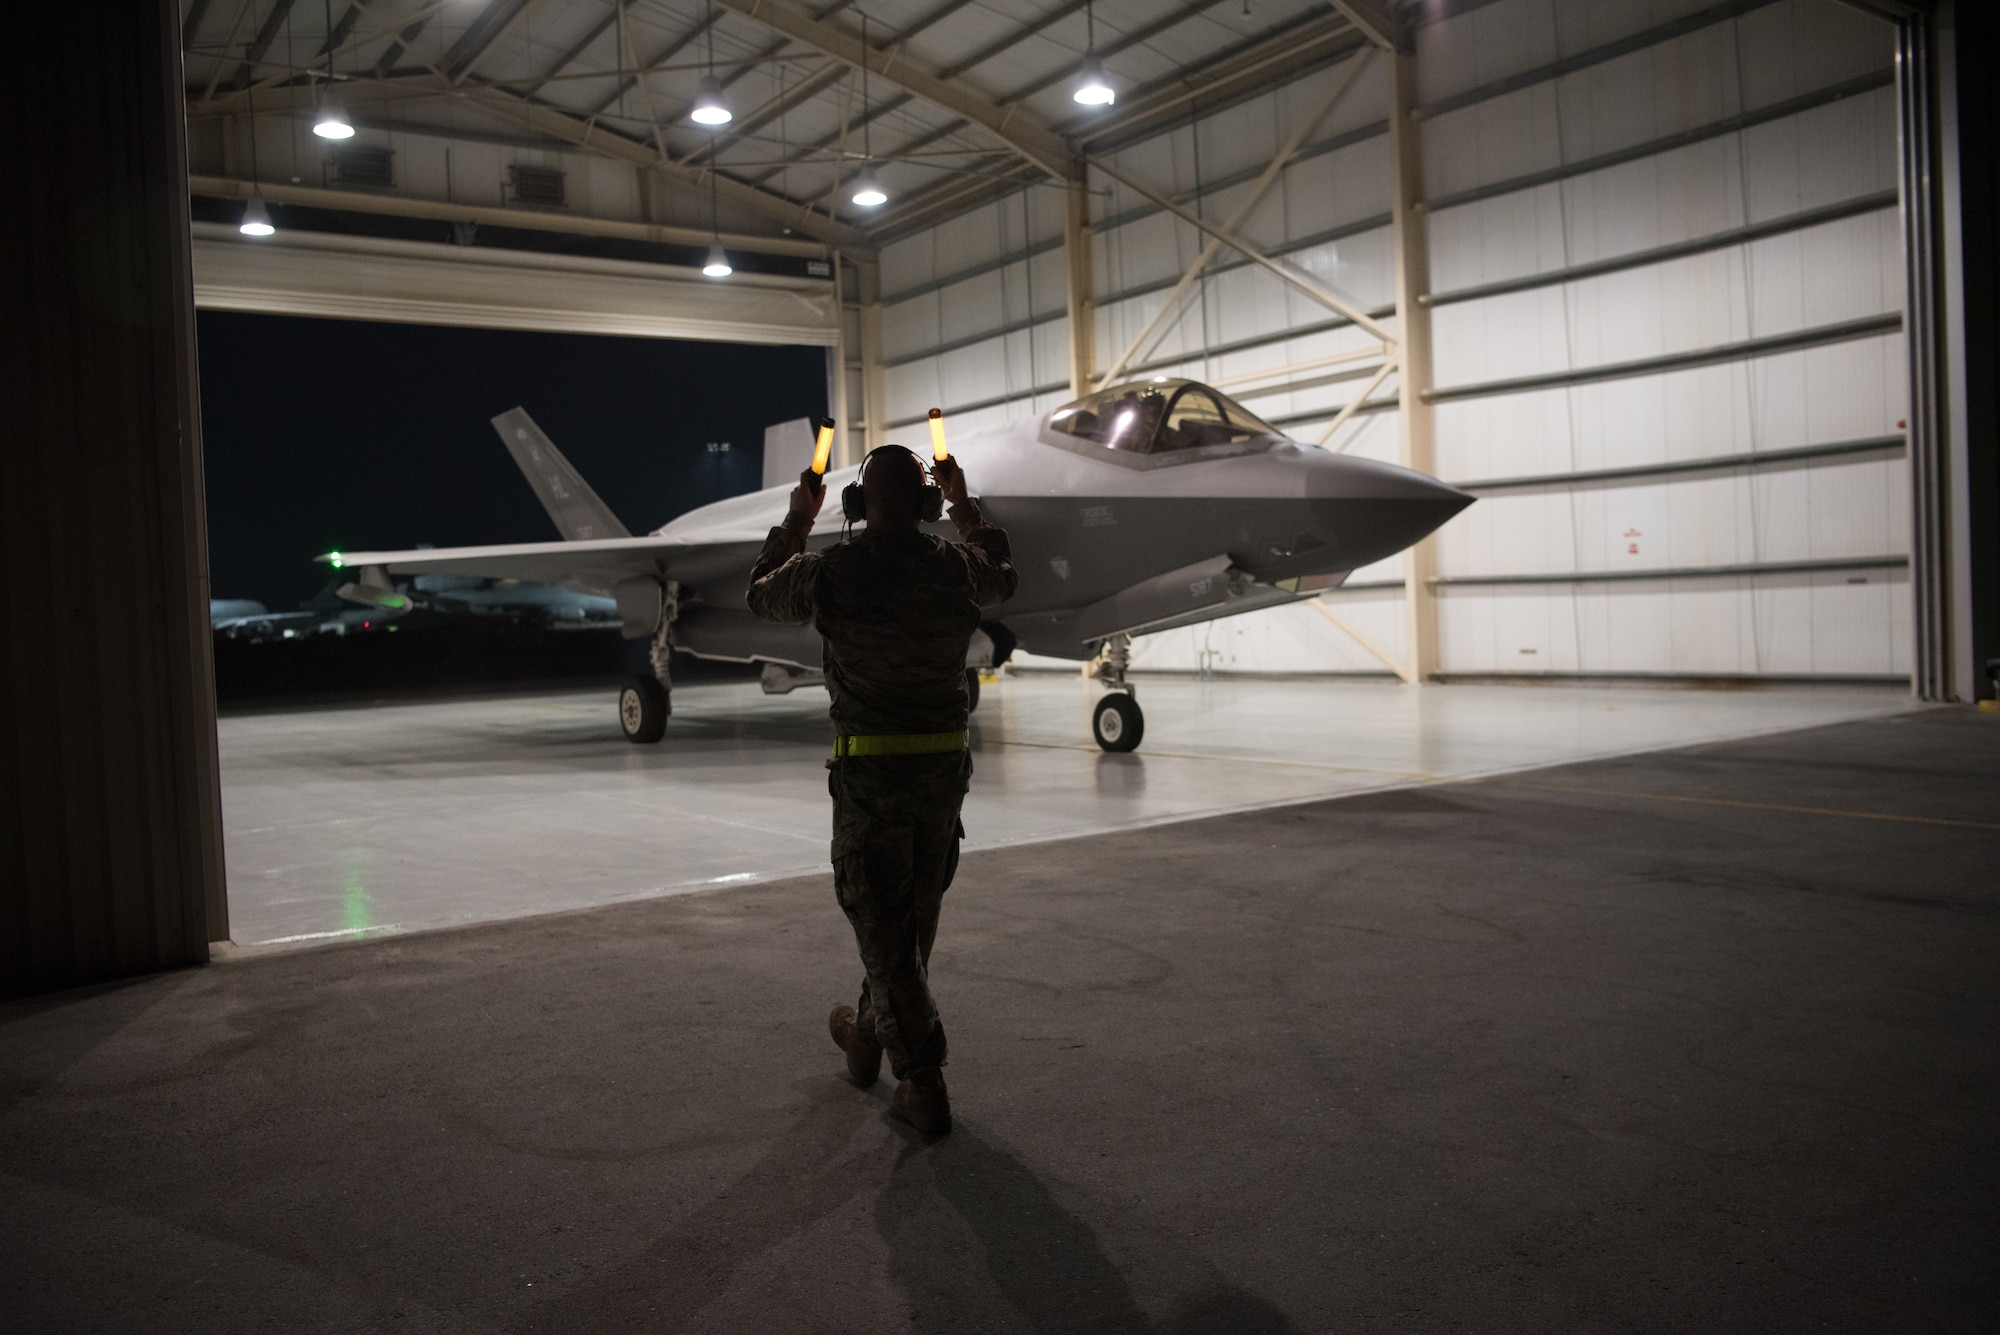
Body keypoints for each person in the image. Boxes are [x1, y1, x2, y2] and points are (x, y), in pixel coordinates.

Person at [746, 445, 1017, 1136]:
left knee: (885, 931)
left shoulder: (832, 571)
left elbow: (760, 590)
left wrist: (796, 519)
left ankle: (923, 1081)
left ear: (859, 509)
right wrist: (964, 504)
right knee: (909, 924)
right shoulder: (957, 568)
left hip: (872, 781)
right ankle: (866, 1040)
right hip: (943, 780)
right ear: (927, 506)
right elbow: (1004, 577)